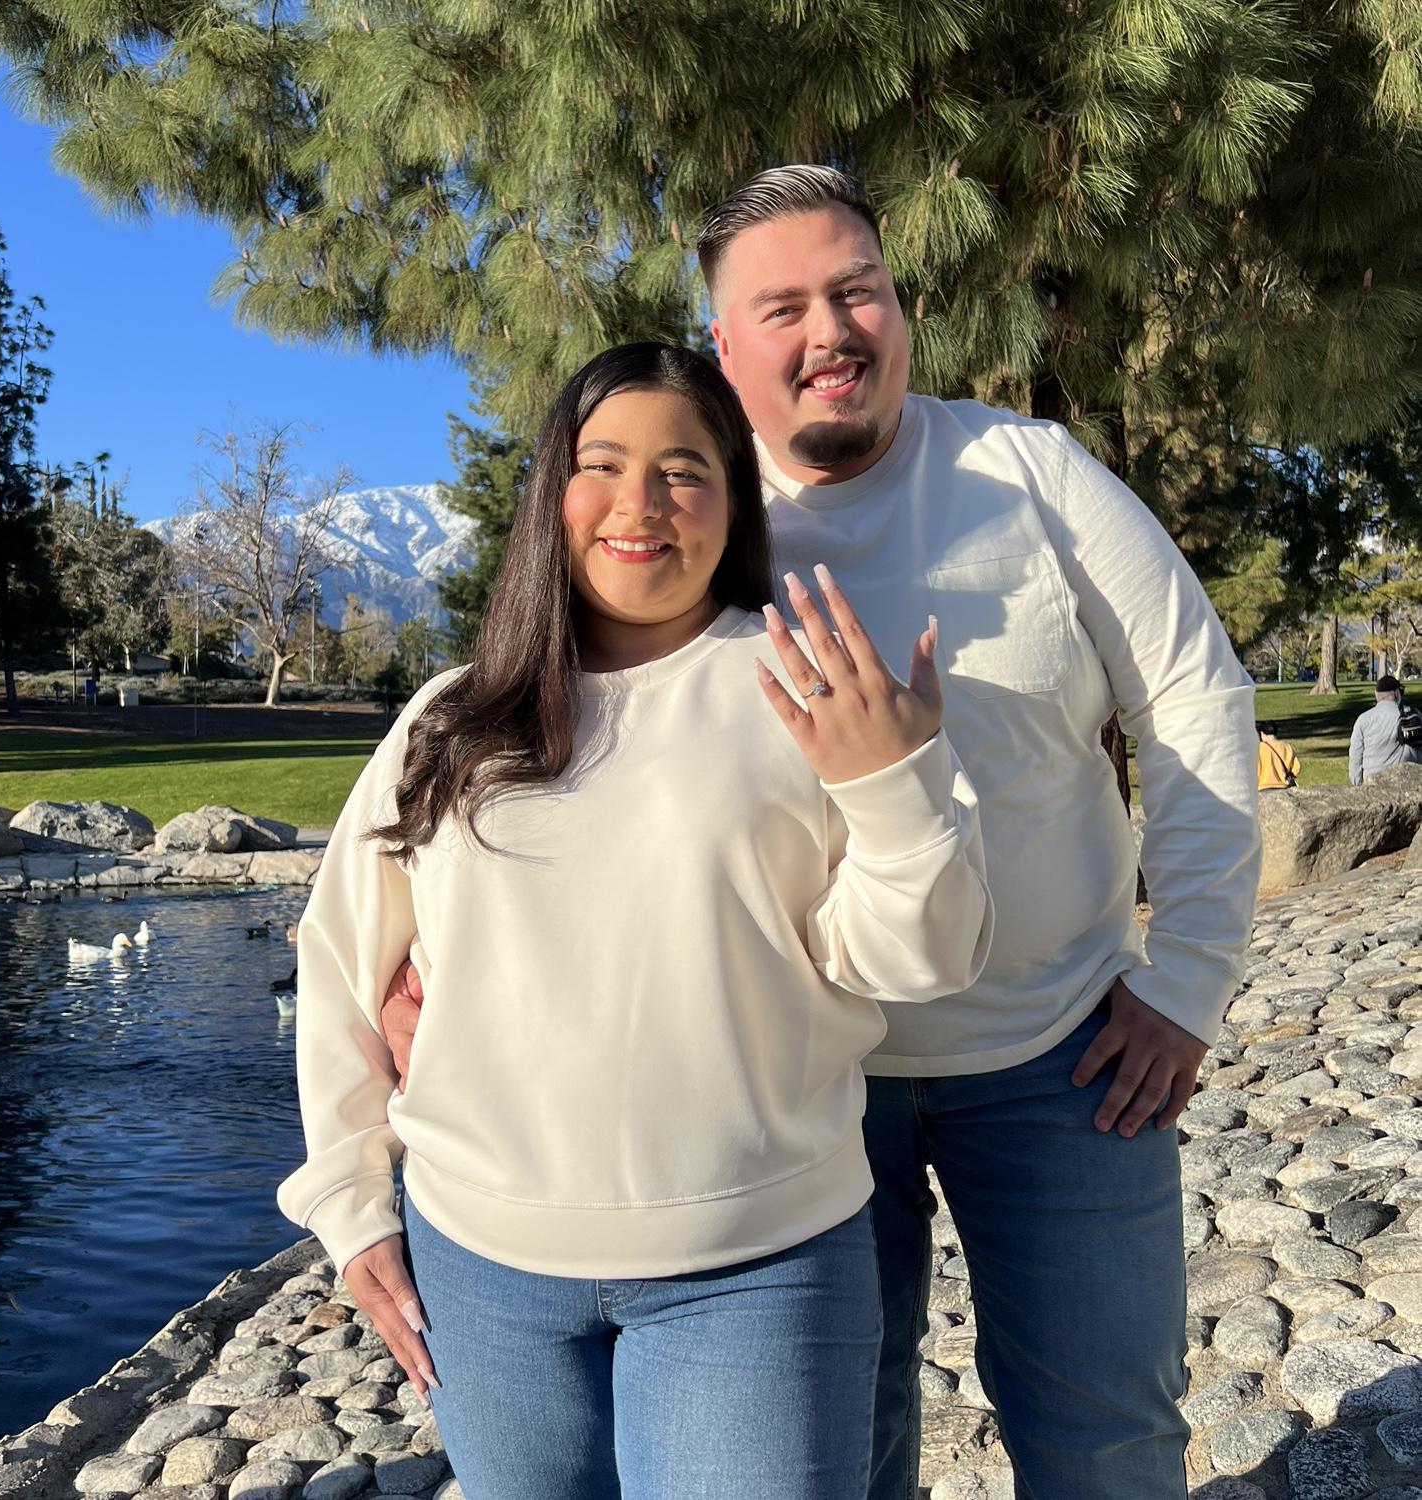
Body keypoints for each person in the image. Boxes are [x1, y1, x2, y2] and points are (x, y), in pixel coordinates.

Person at [380, 165, 1261, 1500]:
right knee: (850, 1453)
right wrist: (437, 965)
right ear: (723, 346)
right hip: (793, 1099)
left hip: (1061, 1053)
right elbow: (550, 735)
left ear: (902, 309)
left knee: (1108, 1435)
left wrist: (1186, 981)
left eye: (858, 291)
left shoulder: (1029, 473)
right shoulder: (685, 520)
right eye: (782, 307)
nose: (831, 331)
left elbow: (1195, 698)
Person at [279, 342, 993, 1500]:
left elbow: (926, 960)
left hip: (758, 1266)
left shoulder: (814, 688)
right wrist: (350, 1206)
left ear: (734, 501)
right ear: (549, 493)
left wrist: (894, 788)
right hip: (481, 1273)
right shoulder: (452, 720)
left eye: (683, 471)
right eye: (601, 464)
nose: (640, 503)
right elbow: (341, 961)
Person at [1349, 675, 1422, 784]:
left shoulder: (1363, 719)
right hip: (1406, 781)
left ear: (1376, 694)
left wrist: (1357, 782)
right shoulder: (1412, 715)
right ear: (1396, 693)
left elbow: (1356, 755)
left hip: (1372, 782)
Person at [1256, 720, 1301, 790]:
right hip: (1283, 788)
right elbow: (1296, 768)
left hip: (1262, 787)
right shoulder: (1286, 746)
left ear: (1262, 733)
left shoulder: (1258, 748)